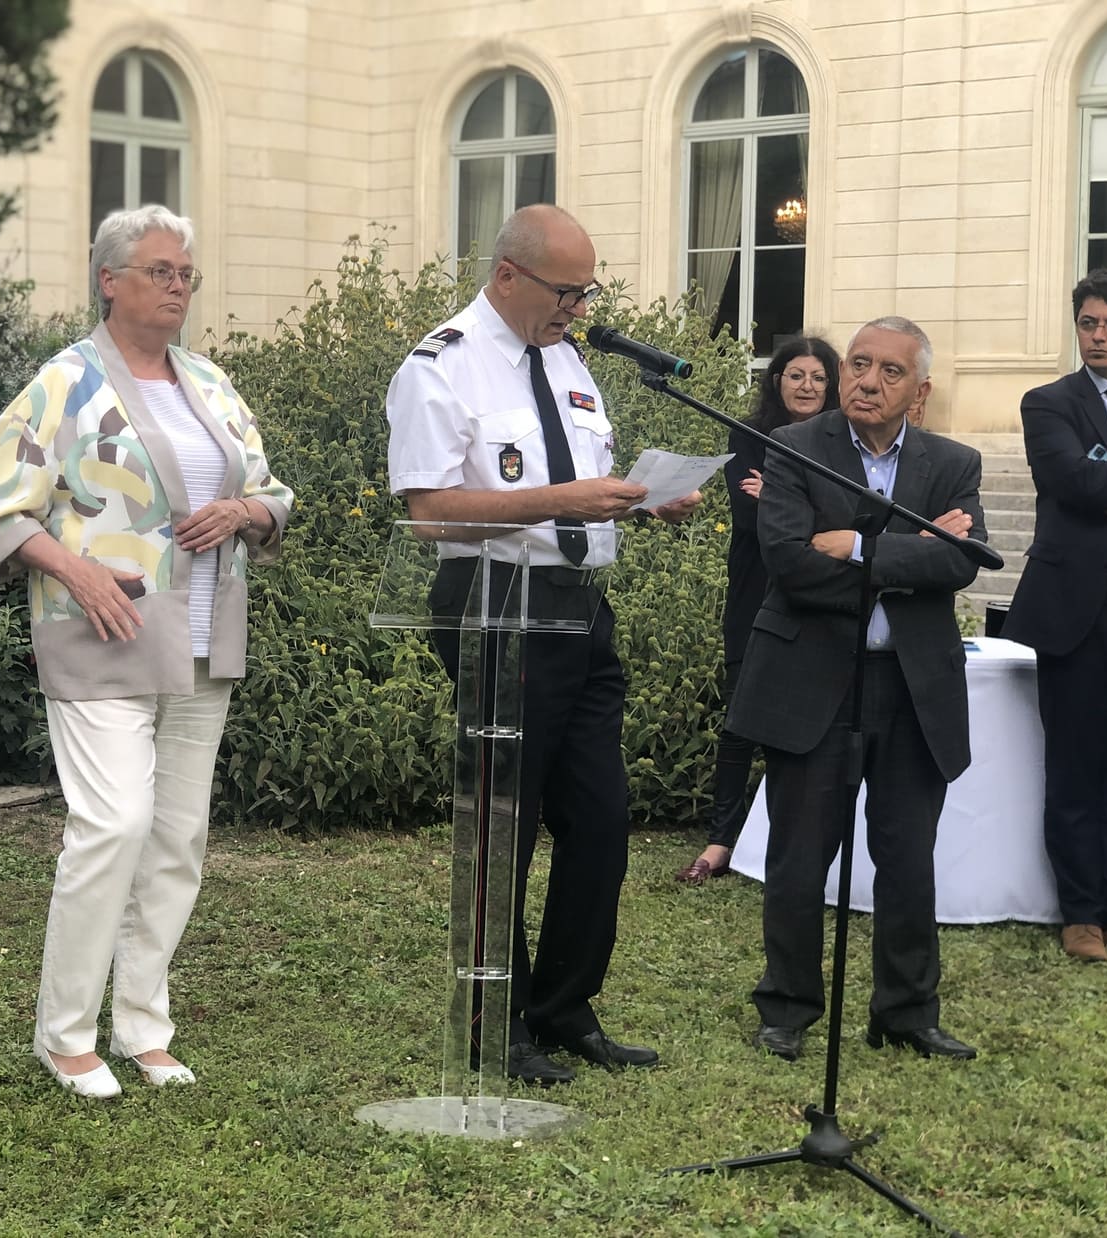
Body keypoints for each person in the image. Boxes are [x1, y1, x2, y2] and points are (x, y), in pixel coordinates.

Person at [0, 205, 293, 1098]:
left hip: (202, 639)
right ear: (109, 279)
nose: (178, 285)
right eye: (159, 270)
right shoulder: (61, 384)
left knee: (178, 838)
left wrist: (247, 510)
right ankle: (66, 1034)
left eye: (185, 272)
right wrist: (77, 571)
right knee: (112, 826)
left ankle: (143, 1024)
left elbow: (271, 490)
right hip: (102, 636)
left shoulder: (212, 383)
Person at [385, 203, 700, 1086]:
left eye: (588, 291)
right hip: (497, 608)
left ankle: (567, 1008)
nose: (580, 308)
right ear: (509, 274)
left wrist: (641, 498)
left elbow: (576, 481)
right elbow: (427, 513)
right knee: (504, 829)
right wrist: (562, 503)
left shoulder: (568, 361)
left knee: (600, 820)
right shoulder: (440, 367)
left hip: (579, 609)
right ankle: (498, 1020)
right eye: (567, 291)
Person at [725, 316, 985, 1063]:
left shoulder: (953, 461)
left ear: (920, 389)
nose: (867, 382)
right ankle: (788, 1008)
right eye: (860, 365)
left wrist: (861, 546)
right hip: (811, 683)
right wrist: (915, 547)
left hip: (912, 689)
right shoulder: (795, 448)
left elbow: (962, 564)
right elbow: (789, 564)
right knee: (800, 858)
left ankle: (906, 1012)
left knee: (908, 857)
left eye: (890, 372)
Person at [1002, 266, 1107, 963]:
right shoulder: (1049, 402)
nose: (1097, 337)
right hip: (1081, 608)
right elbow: (1070, 479)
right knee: (1075, 764)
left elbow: (1099, 484)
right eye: (1087, 324)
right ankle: (1080, 915)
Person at [676, 337, 841, 885]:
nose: (807, 387)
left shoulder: (841, 443)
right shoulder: (749, 435)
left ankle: (788, 842)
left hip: (819, 592)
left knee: (813, 717)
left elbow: (855, 523)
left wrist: (781, 497)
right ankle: (722, 839)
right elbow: (756, 525)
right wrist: (813, 513)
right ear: (777, 380)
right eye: (796, 375)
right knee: (742, 714)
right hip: (755, 588)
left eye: (818, 377)